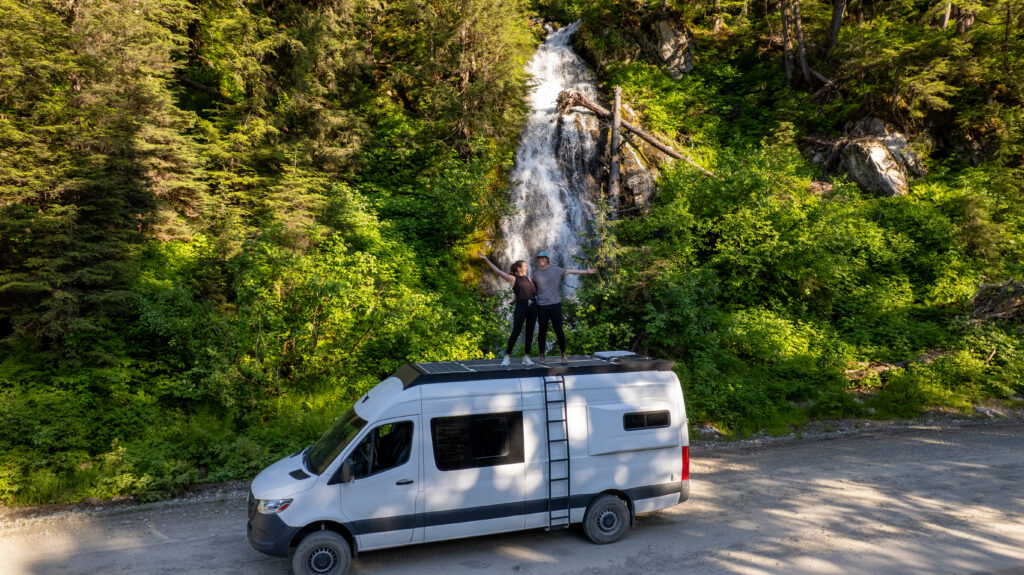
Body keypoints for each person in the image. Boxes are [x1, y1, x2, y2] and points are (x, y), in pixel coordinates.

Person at [532, 250, 596, 363]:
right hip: (542, 306)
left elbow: (571, 271)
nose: (541, 260)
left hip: (555, 305)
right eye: (539, 258)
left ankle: (564, 355)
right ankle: (542, 355)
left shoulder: (556, 270)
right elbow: (533, 289)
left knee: (559, 330)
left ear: (547, 259)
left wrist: (586, 271)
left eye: (543, 258)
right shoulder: (536, 274)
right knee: (542, 331)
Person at [479, 252, 538, 366]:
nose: (527, 267)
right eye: (524, 266)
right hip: (521, 305)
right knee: (516, 330)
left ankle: (526, 357)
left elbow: (535, 292)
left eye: (526, 266)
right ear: (519, 268)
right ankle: (507, 357)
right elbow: (498, 272)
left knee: (530, 331)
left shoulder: (529, 279)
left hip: (533, 305)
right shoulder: (513, 278)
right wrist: (486, 259)